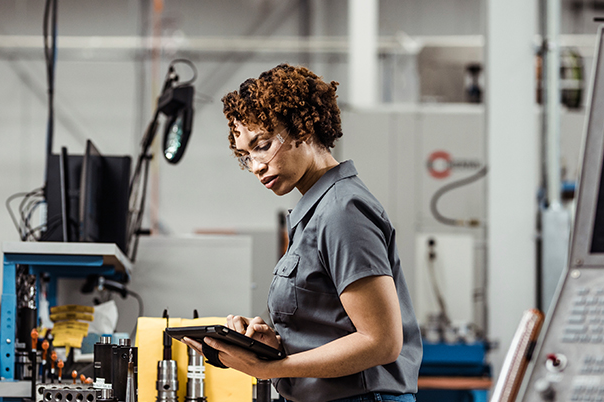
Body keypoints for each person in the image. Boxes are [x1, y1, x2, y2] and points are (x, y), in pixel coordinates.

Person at [180, 64, 422, 402]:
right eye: (245, 156)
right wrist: (273, 344)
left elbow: (380, 342)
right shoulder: (316, 211)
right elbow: (332, 329)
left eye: (262, 145)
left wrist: (268, 369)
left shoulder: (342, 211)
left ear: (303, 129)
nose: (256, 166)